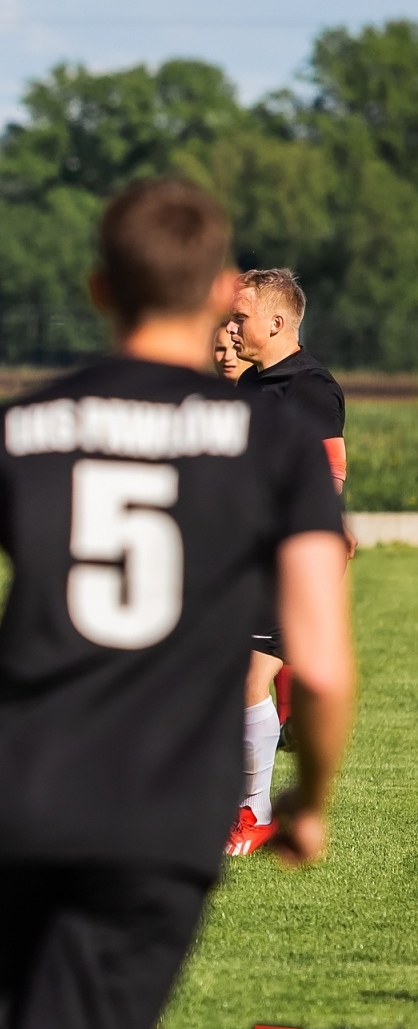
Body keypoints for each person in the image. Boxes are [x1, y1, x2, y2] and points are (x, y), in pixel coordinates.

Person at [0, 180, 355, 1029]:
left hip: (14, 792)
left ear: (99, 290)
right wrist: (310, 803)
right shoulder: (273, 443)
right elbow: (321, 667)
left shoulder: (17, 426)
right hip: (165, 811)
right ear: (220, 293)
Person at [224, 268, 352, 854]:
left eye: (241, 318)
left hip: (286, 562)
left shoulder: (310, 386)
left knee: (249, 677)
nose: (231, 329)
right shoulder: (252, 385)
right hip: (244, 559)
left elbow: (329, 476)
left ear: (277, 322)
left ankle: (253, 814)